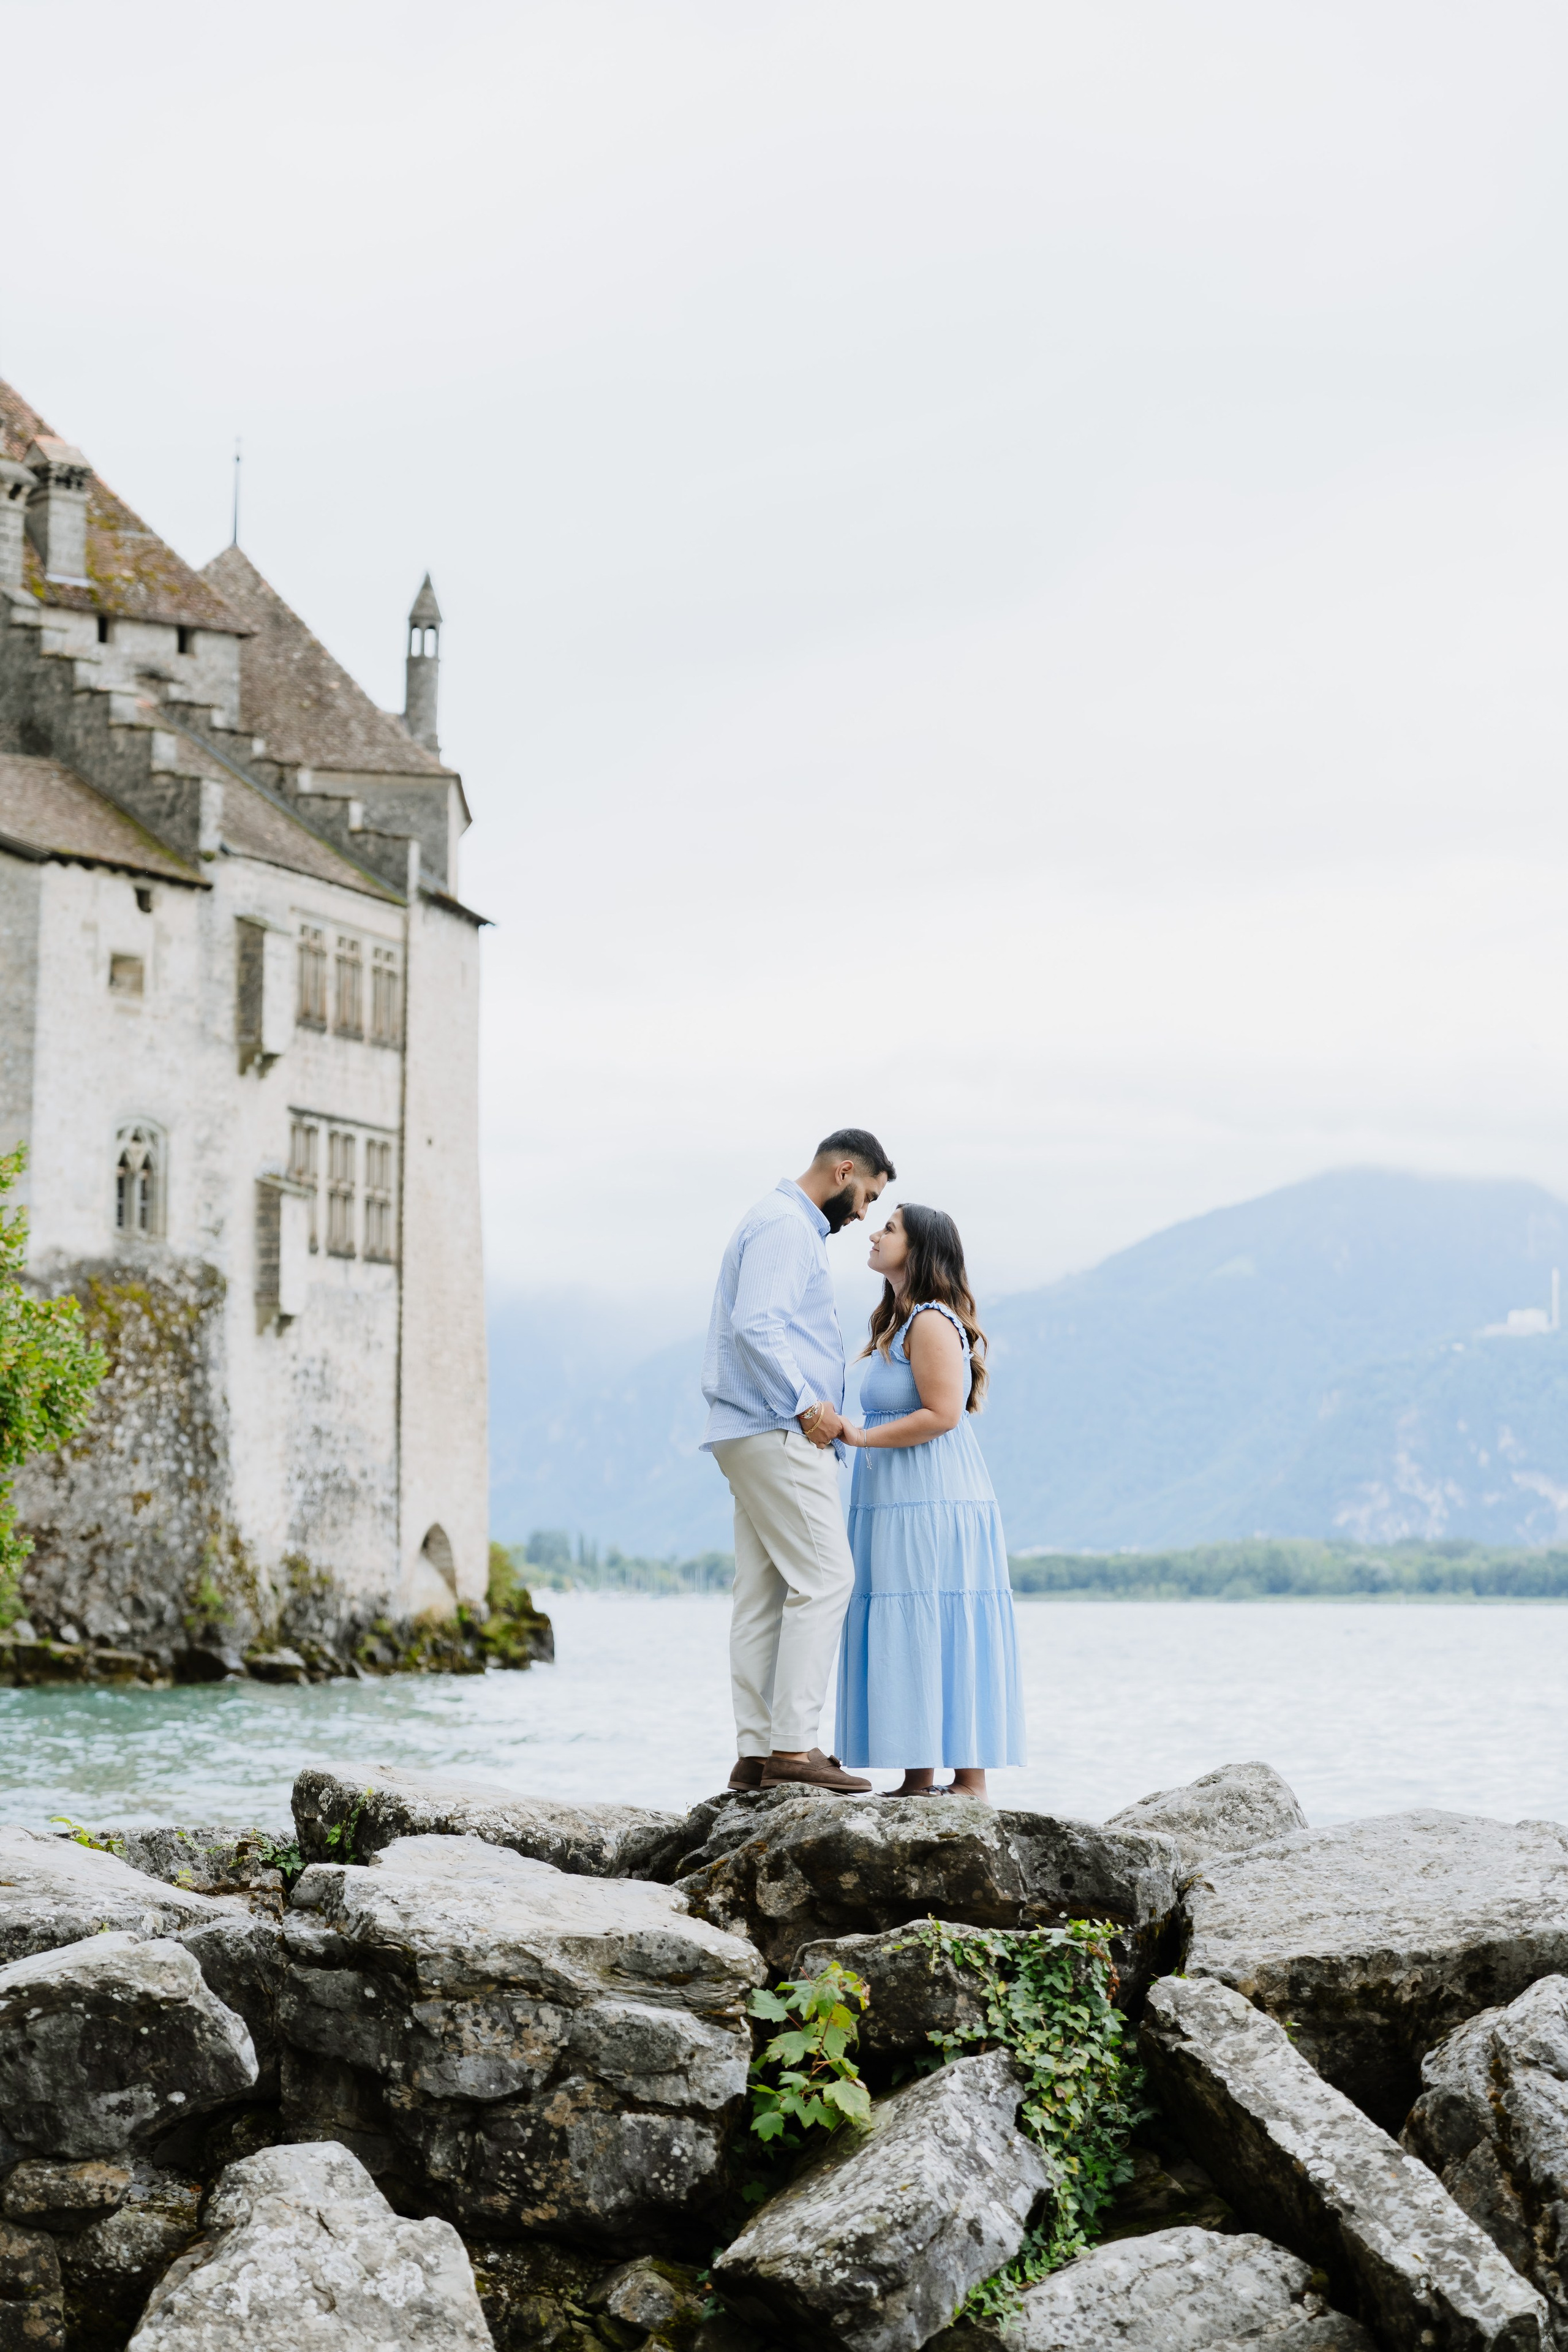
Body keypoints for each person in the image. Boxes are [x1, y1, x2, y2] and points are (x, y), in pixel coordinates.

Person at [702, 1129, 895, 1793]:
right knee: (827, 1578)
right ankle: (792, 1748)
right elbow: (756, 1325)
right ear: (844, 1171)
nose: (864, 1213)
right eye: (867, 1195)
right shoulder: (788, 1226)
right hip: (779, 1428)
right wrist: (808, 1406)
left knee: (763, 1593)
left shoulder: (776, 1220)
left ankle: (757, 1754)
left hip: (747, 1429)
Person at [834, 1203, 1025, 1800]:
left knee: (938, 1613)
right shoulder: (897, 1324)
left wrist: (858, 1436)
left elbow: (943, 1415)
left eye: (889, 1228)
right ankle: (916, 1776)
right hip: (896, 1496)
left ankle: (969, 1781)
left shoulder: (932, 1322)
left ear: (917, 1250)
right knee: (907, 1618)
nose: (874, 1233)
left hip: (933, 1496)